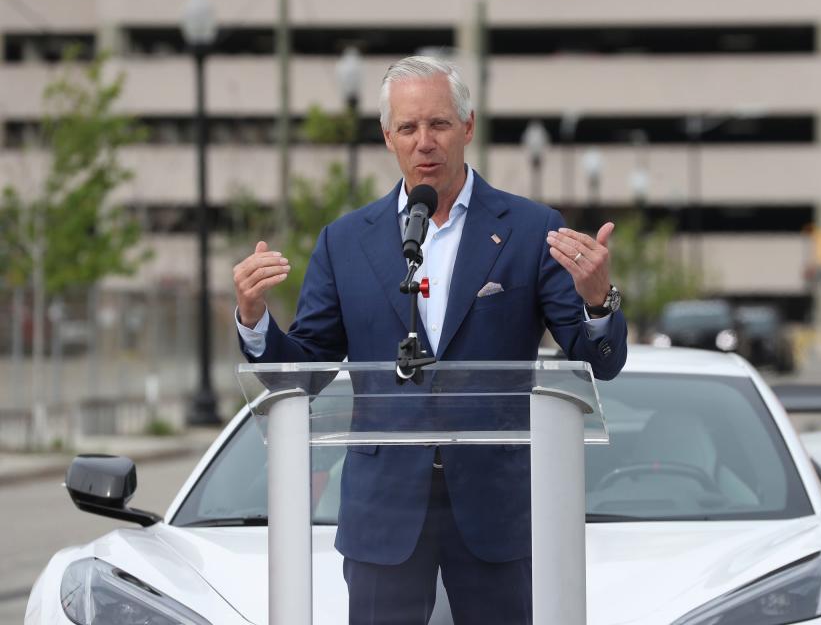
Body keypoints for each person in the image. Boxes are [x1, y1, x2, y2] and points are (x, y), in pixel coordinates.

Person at [233, 55, 627, 624]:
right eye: (409, 128)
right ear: (387, 137)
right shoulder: (345, 242)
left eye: (439, 124)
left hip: (497, 509)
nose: (425, 143)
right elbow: (307, 372)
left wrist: (596, 301)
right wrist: (254, 320)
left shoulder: (530, 228)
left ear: (467, 128)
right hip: (384, 513)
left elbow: (598, 363)